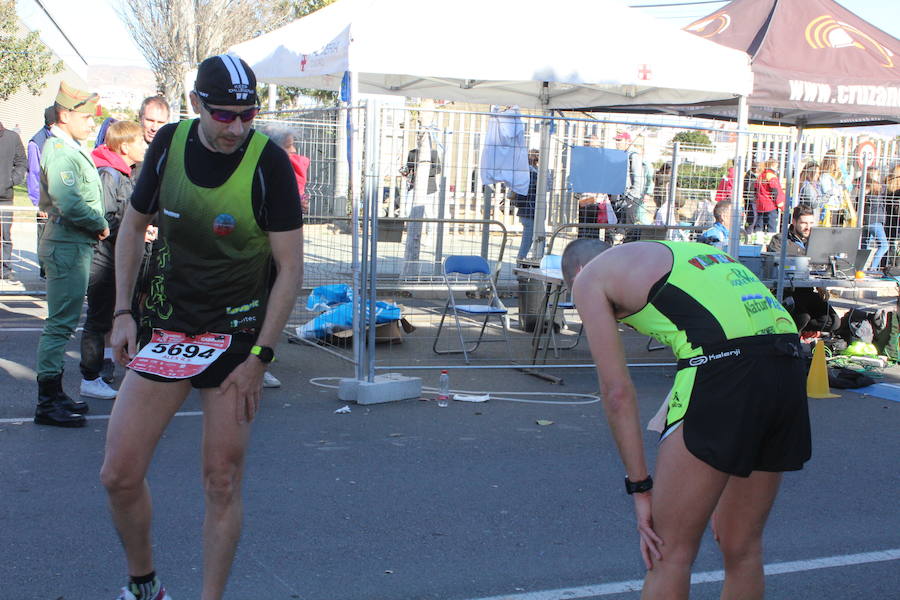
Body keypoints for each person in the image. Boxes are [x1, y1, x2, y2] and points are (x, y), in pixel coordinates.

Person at [102, 54, 303, 600]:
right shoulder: (168, 143)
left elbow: (290, 268)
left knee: (221, 480)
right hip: (168, 330)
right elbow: (132, 226)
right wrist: (123, 312)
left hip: (236, 340)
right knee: (118, 474)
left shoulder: (269, 163)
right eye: (223, 115)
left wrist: (260, 358)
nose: (236, 127)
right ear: (196, 105)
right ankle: (145, 586)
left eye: (247, 115)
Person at [561, 238, 810, 599]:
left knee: (669, 554)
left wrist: (640, 487)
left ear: (578, 272)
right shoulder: (677, 251)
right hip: (787, 362)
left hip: (725, 370)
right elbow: (706, 342)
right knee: (742, 545)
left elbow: (617, 393)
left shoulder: (589, 279)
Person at [34, 82, 108, 427]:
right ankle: (47, 402)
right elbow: (69, 201)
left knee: (62, 324)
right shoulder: (61, 151)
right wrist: (99, 223)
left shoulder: (67, 146)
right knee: (60, 326)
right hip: (67, 245)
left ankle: (55, 394)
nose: (93, 123)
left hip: (71, 245)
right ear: (65, 115)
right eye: (87, 116)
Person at [78, 121, 148, 400]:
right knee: (98, 318)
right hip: (104, 258)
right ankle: (90, 377)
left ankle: (120, 367)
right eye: (140, 141)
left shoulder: (122, 172)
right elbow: (106, 219)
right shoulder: (110, 173)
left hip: (116, 256)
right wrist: (134, 231)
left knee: (126, 314)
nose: (145, 146)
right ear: (125, 146)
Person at [767, 205, 834, 333]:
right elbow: (776, 266)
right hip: (788, 291)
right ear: (794, 222)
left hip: (808, 290)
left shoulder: (816, 241)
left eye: (811, 223)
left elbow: (820, 267)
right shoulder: (780, 240)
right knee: (803, 317)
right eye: (803, 223)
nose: (808, 227)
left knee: (832, 321)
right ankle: (790, 339)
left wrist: (821, 285)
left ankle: (803, 334)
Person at [0, 121, 27, 280]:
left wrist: (11, 180)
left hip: (5, 197)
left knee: (5, 235)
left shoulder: (12, 138)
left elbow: (22, 162)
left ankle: (5, 268)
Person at [859, 166, 889, 273]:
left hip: (866, 221)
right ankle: (872, 268)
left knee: (865, 246)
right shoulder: (877, 188)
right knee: (884, 246)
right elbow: (886, 189)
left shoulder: (864, 188)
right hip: (876, 222)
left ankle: (859, 268)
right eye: (877, 174)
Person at [513, 149, 538, 260]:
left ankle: (525, 259)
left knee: (530, 238)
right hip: (530, 210)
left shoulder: (523, 172)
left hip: (526, 210)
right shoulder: (533, 174)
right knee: (529, 239)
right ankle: (521, 260)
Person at [754, 160, 785, 233]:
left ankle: (758, 241)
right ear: (773, 166)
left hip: (760, 205)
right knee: (771, 227)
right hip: (771, 205)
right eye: (777, 166)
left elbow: (755, 190)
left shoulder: (760, 176)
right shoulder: (772, 177)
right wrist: (781, 205)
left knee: (759, 226)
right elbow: (776, 192)